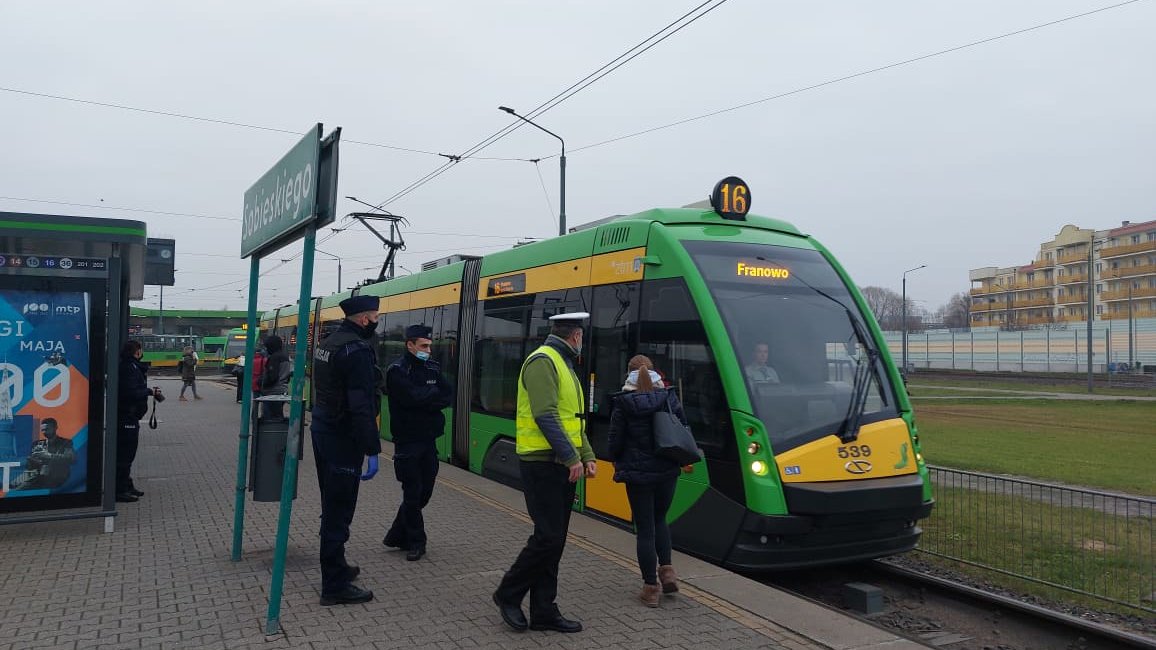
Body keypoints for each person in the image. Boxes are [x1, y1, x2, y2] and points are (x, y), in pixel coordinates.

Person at [493, 312, 595, 634]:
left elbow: (573, 420)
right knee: (548, 537)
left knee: (556, 540)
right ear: (576, 335)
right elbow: (545, 415)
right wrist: (570, 457)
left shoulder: (564, 365)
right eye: (582, 336)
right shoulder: (543, 361)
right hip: (542, 463)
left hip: (559, 465)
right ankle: (507, 593)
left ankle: (544, 610)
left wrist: (587, 455)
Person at [309, 295, 383, 606]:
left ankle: (338, 565)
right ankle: (334, 586)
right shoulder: (357, 350)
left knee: (332, 502)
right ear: (365, 319)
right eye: (376, 317)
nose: (377, 322)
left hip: (323, 429)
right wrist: (373, 448)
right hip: (343, 437)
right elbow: (362, 404)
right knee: (339, 508)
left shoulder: (330, 342)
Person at [606, 355, 686, 607]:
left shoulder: (623, 403)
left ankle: (651, 588)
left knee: (645, 529)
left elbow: (615, 442)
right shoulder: (669, 397)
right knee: (660, 519)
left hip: (638, 476)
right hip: (666, 470)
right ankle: (668, 571)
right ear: (654, 373)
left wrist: (618, 458)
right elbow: (683, 428)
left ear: (628, 374)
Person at [382, 324, 453, 561]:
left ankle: (396, 534)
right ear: (410, 345)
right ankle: (416, 542)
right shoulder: (397, 371)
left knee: (426, 492)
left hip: (428, 439)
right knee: (412, 493)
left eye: (430, 346)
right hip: (407, 441)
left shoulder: (432, 367)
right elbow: (411, 398)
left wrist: (427, 398)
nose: (428, 350)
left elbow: (447, 394)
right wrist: (430, 398)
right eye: (424, 346)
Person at [117, 340, 160, 503]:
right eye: (140, 350)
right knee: (125, 454)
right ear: (137, 351)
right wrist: (148, 391)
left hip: (131, 416)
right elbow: (130, 392)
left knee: (128, 454)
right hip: (126, 416)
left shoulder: (132, 366)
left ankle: (126, 485)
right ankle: (119, 489)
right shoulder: (129, 368)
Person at [21, 418, 76, 490]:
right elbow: (30, 466)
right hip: (39, 478)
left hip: (58, 478)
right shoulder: (36, 444)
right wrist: (32, 459)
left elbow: (70, 459)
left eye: (47, 429)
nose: (44, 432)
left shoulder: (66, 442)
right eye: (42, 430)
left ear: (55, 428)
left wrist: (48, 455)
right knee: (19, 490)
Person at [260, 335, 291, 420]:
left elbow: (272, 377)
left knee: (269, 419)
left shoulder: (274, 358)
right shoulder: (285, 356)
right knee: (277, 416)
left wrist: (262, 383)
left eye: (267, 347)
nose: (266, 349)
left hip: (272, 393)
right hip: (282, 390)